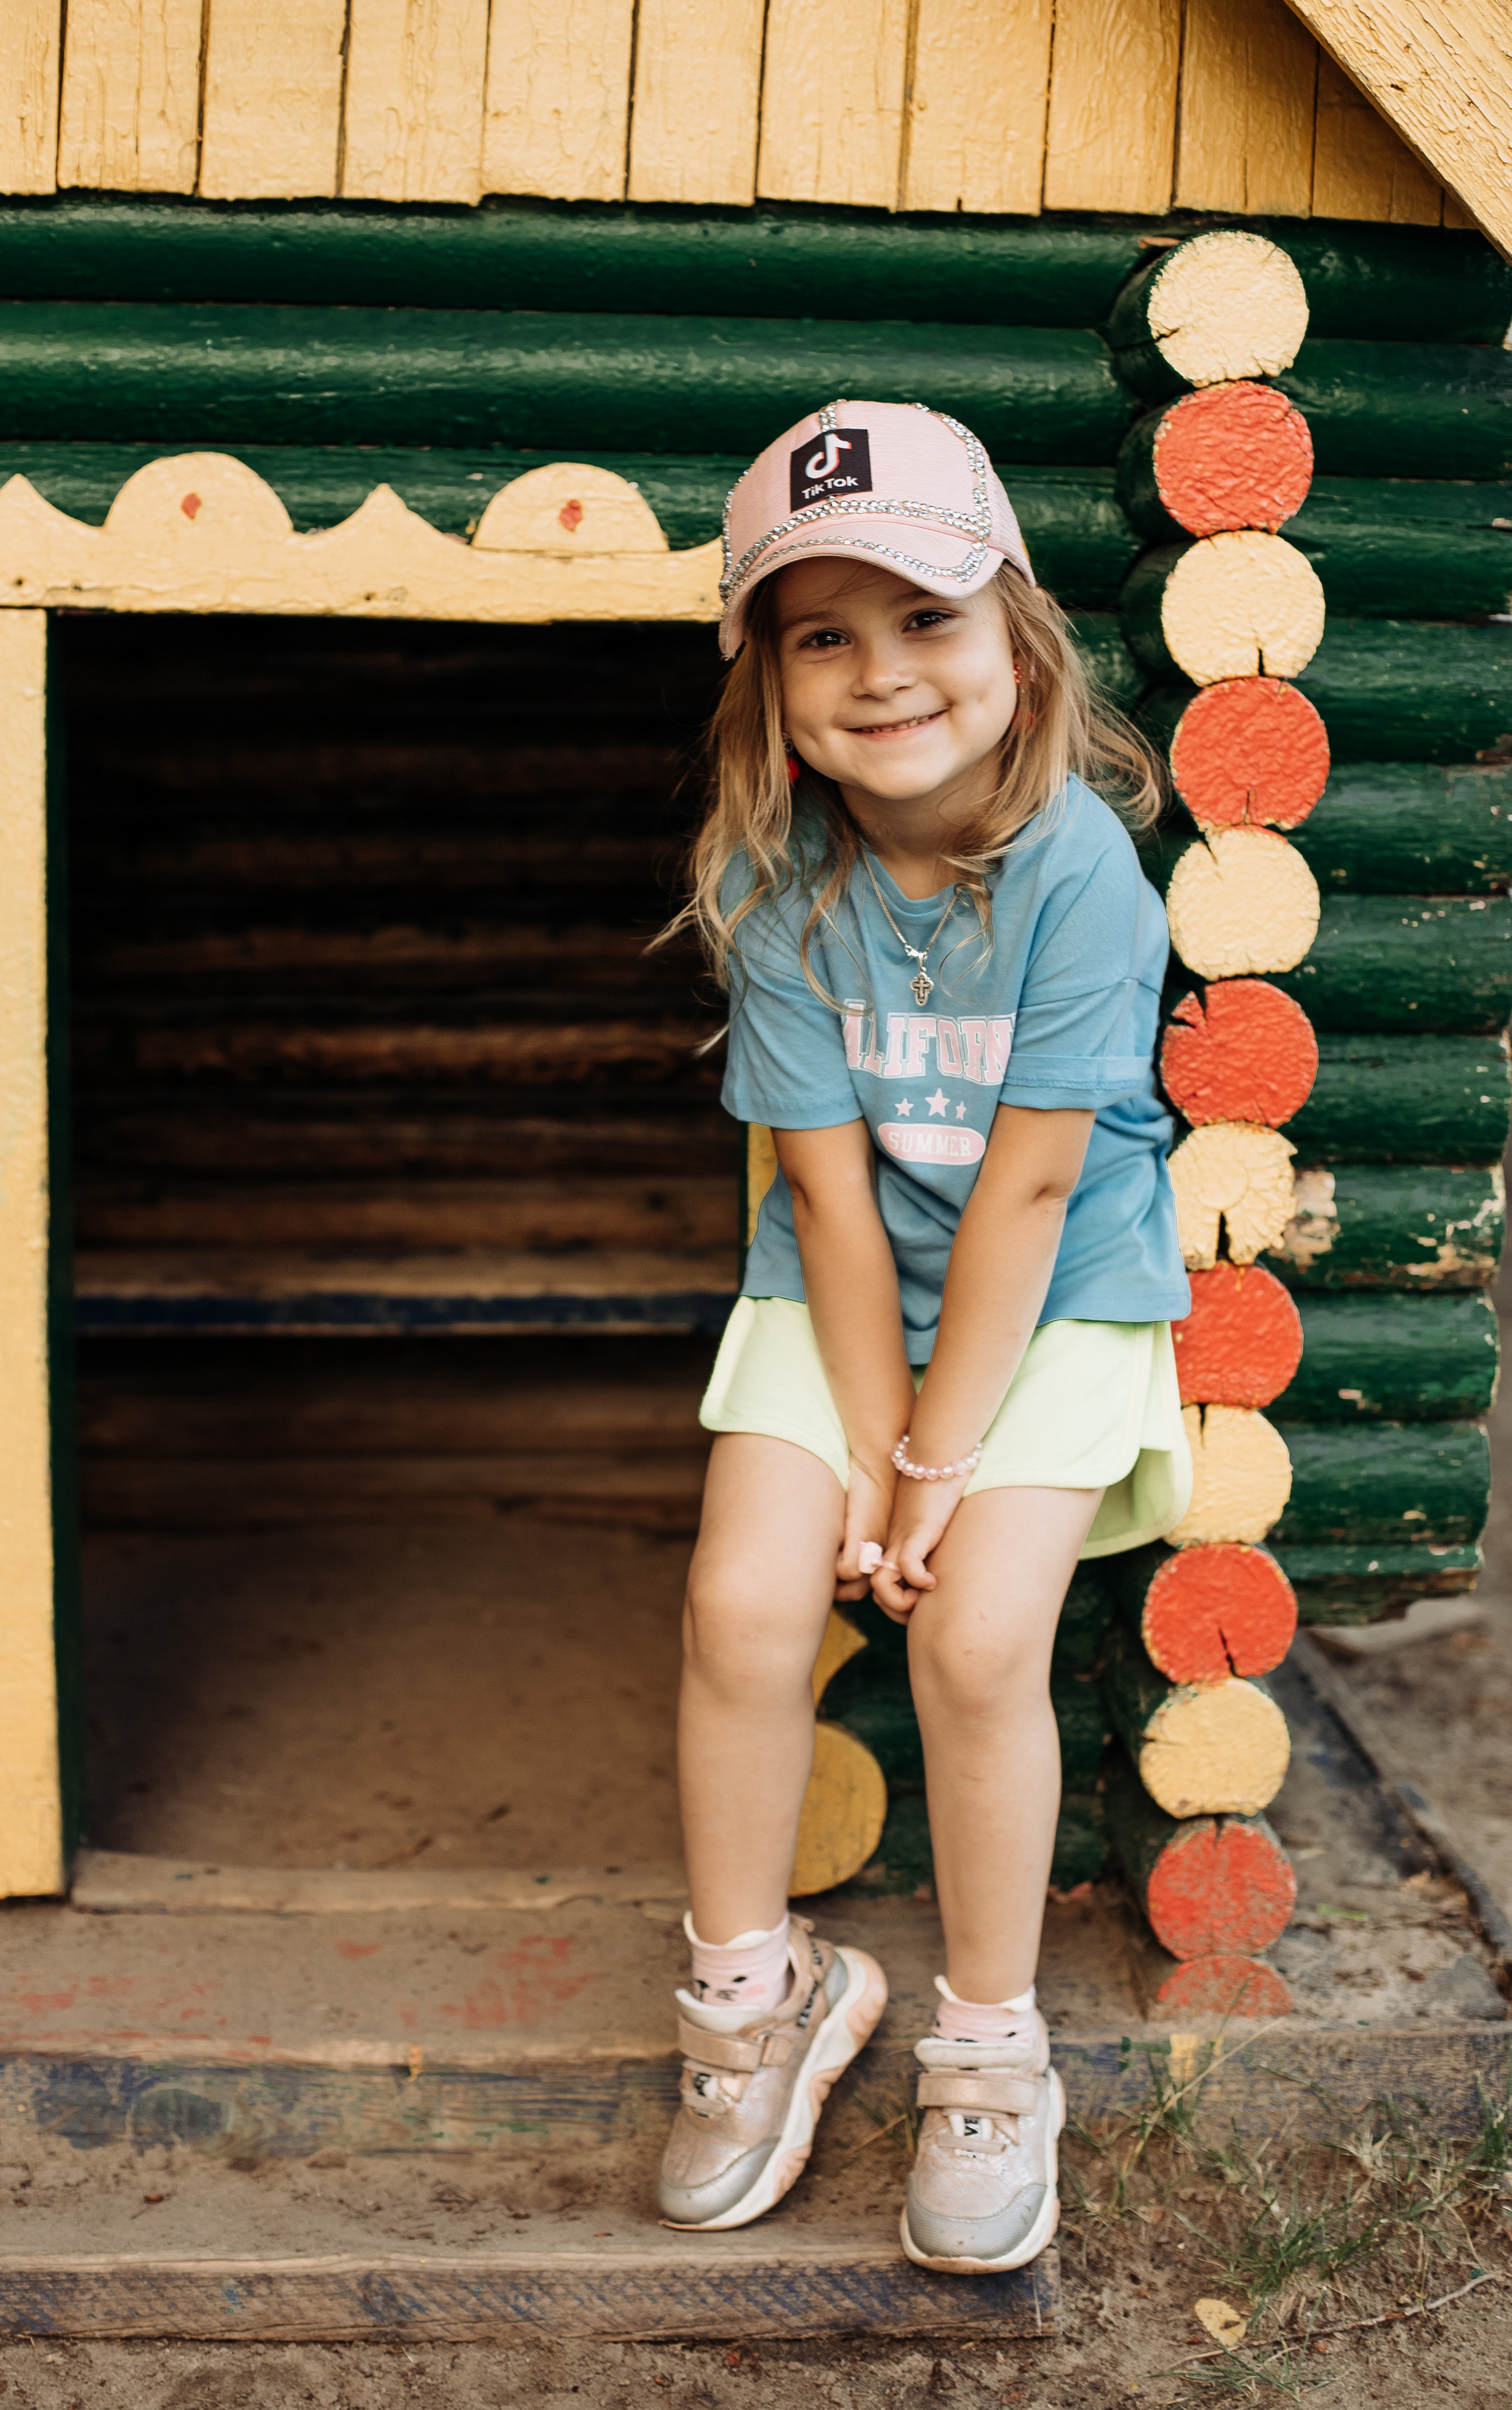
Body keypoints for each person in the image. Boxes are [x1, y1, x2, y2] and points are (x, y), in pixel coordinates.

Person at [654, 400, 1193, 2273]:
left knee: (972, 1640)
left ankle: (987, 2044)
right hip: (855, 1288)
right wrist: (877, 1448)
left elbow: (1031, 1205)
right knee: (742, 1605)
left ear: (1016, 641)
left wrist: (937, 1469)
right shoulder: (778, 889)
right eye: (824, 632)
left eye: (928, 617)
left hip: (1059, 1303)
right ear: (769, 679)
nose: (884, 673)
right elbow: (823, 1199)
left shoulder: (1079, 878)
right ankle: (757, 1999)